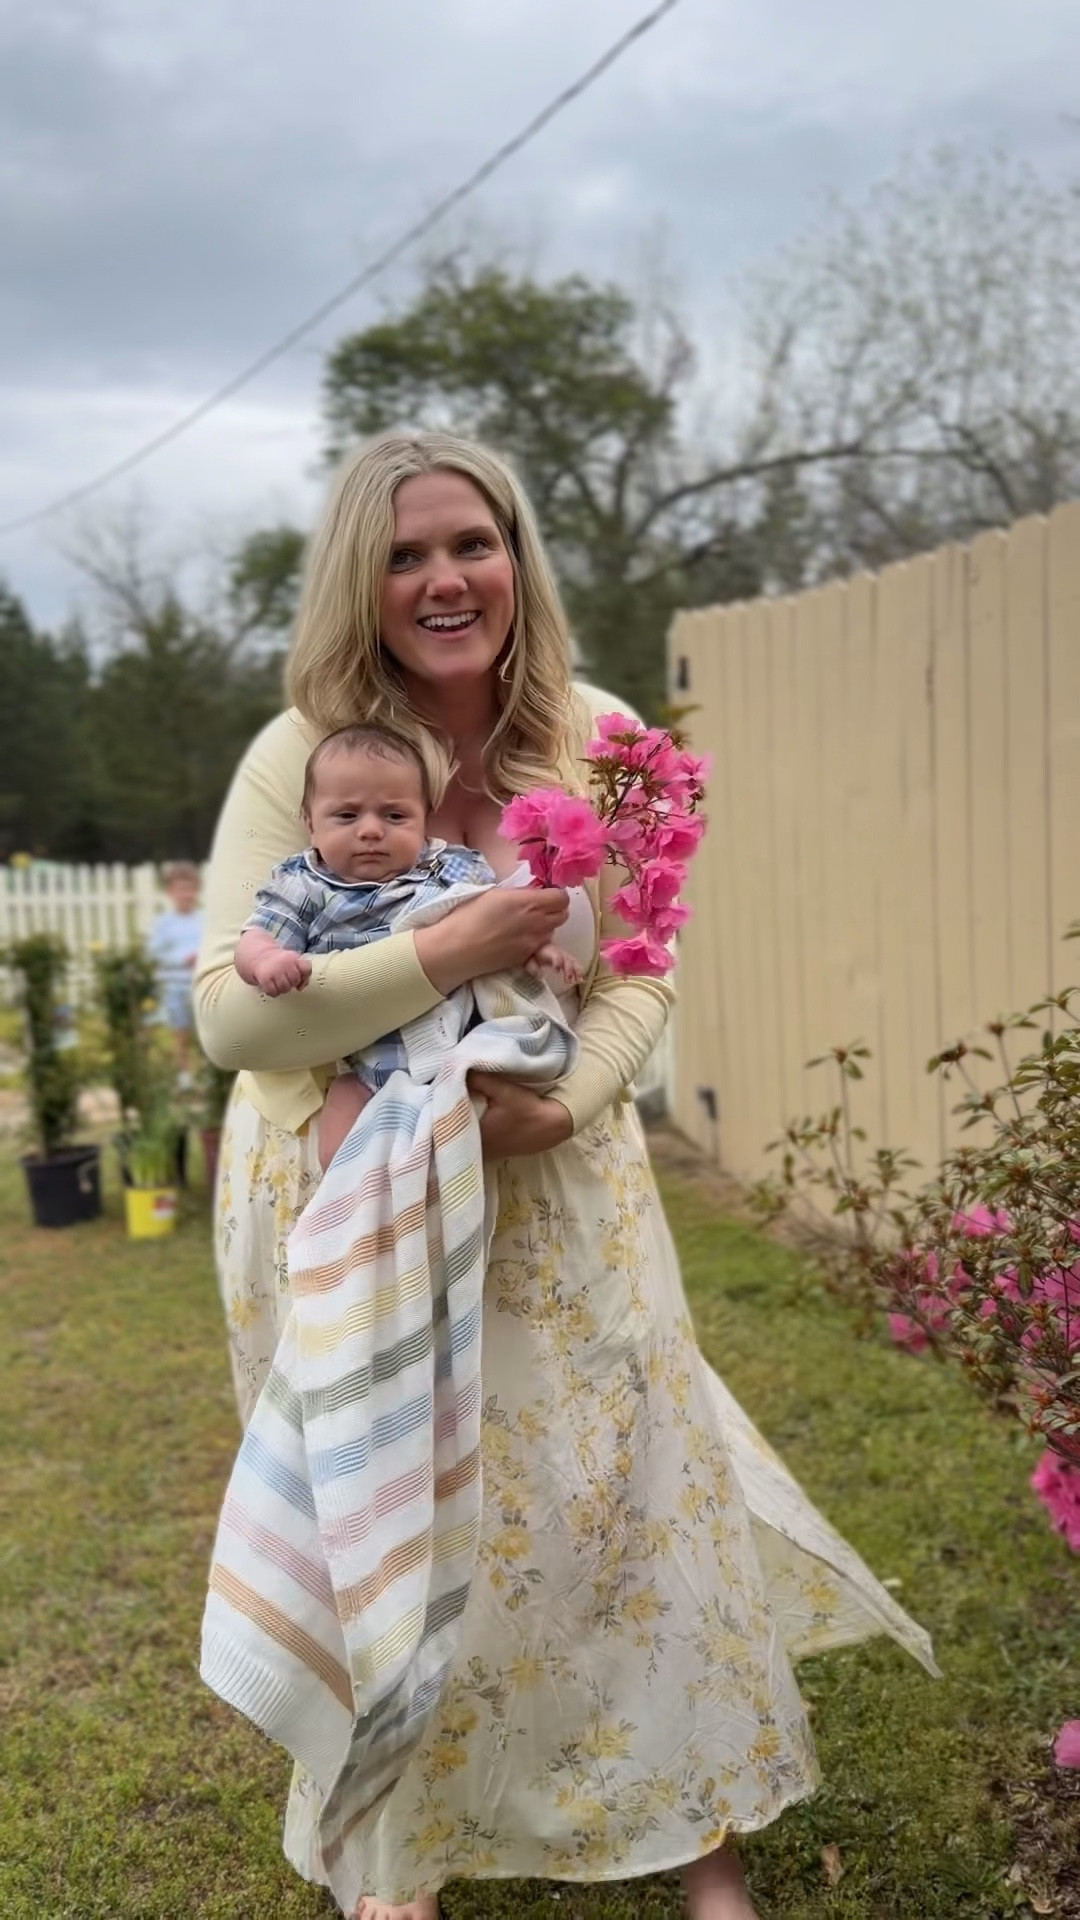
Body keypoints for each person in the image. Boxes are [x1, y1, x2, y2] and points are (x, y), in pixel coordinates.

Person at [195, 431, 936, 1920]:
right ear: (358, 581)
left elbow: (644, 968)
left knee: (622, 1501)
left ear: (517, 559)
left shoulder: (604, 738)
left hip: (564, 1190)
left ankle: (699, 1837)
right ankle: (399, 1854)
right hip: (350, 1204)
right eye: (404, 554)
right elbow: (231, 1015)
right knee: (391, 1509)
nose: (444, 579)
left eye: (472, 543)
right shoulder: (305, 752)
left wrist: (575, 1100)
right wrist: (442, 951)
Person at [234, 721, 582, 1169]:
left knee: (462, 1138)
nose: (371, 830)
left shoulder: (445, 871)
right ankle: (358, 1202)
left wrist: (537, 949)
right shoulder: (305, 885)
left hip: (457, 1051)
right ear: (310, 823)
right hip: (366, 1065)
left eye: (395, 816)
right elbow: (256, 935)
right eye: (347, 816)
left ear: (424, 820)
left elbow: (496, 922)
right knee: (341, 1153)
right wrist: (266, 959)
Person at [147, 859, 203, 1079]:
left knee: (205, 1033)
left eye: (190, 889)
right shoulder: (165, 923)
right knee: (181, 1032)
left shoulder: (204, 920)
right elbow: (153, 953)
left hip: (200, 983)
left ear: (197, 890)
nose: (186, 894)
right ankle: (184, 1077)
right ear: (170, 892)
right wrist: (182, 959)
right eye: (180, 889)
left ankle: (206, 1075)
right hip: (174, 987)